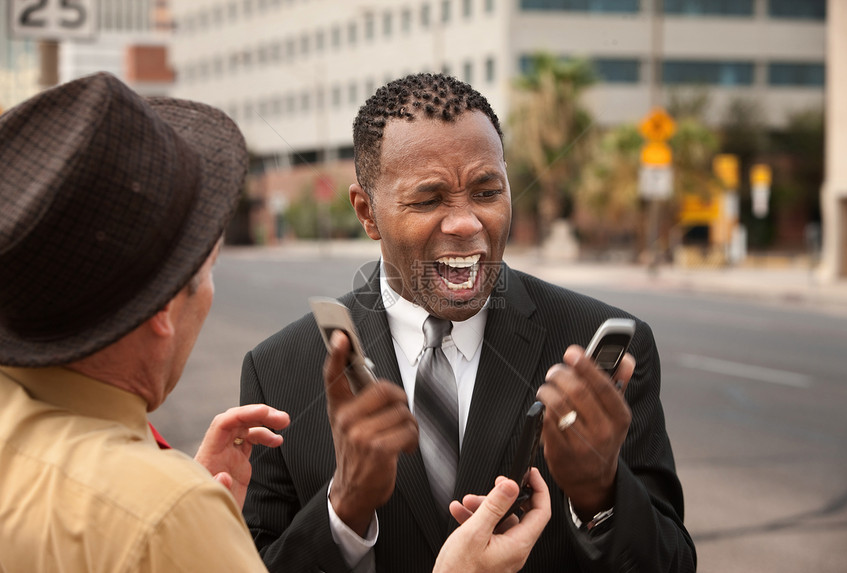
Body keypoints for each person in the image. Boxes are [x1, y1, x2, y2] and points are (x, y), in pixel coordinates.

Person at [0, 72, 550, 573]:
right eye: (208, 268)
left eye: (486, 191)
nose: (463, 221)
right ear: (165, 310)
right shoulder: (173, 511)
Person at [240, 73, 697, 572]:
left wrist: (600, 495)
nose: (466, 223)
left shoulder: (597, 349)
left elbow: (670, 563)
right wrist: (344, 509)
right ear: (367, 212)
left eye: (486, 192)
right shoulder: (280, 368)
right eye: (429, 199)